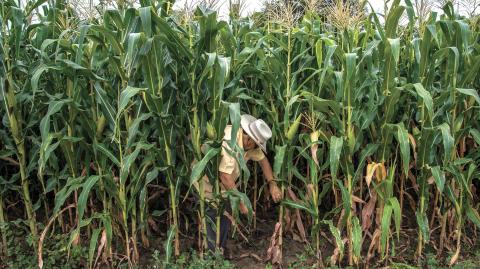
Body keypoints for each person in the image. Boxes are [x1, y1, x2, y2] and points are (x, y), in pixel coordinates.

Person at [194, 114, 282, 257]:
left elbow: (263, 160)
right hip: (205, 182)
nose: (256, 148)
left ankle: (218, 248)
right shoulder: (230, 143)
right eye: (256, 144)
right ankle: (212, 256)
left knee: (224, 212)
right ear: (248, 140)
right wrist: (242, 204)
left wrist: (272, 184)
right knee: (211, 215)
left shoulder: (248, 142)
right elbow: (224, 176)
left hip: (222, 185)